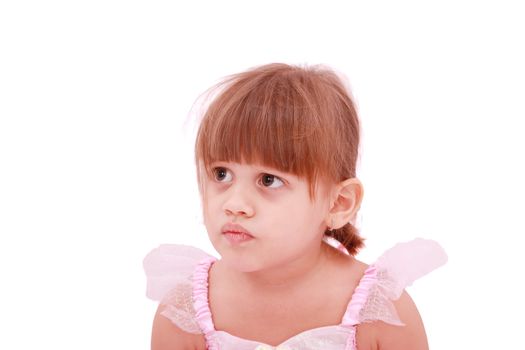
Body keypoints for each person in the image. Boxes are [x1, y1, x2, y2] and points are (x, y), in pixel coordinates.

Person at [143, 63, 447, 350]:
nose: (235, 204)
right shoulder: (186, 313)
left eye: (269, 180)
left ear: (339, 204)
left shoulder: (380, 313)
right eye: (221, 174)